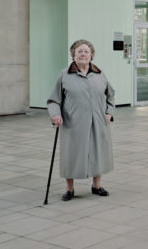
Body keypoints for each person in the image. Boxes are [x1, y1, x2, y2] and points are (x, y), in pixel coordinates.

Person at [47, 39, 115, 201]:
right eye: (79, 51)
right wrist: (55, 114)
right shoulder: (65, 75)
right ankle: (70, 189)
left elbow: (110, 96)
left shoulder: (99, 74)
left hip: (98, 122)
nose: (83, 54)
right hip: (73, 124)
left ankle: (96, 186)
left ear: (91, 55)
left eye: (86, 51)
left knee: (98, 153)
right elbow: (54, 100)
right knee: (71, 156)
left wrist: (109, 113)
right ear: (73, 55)